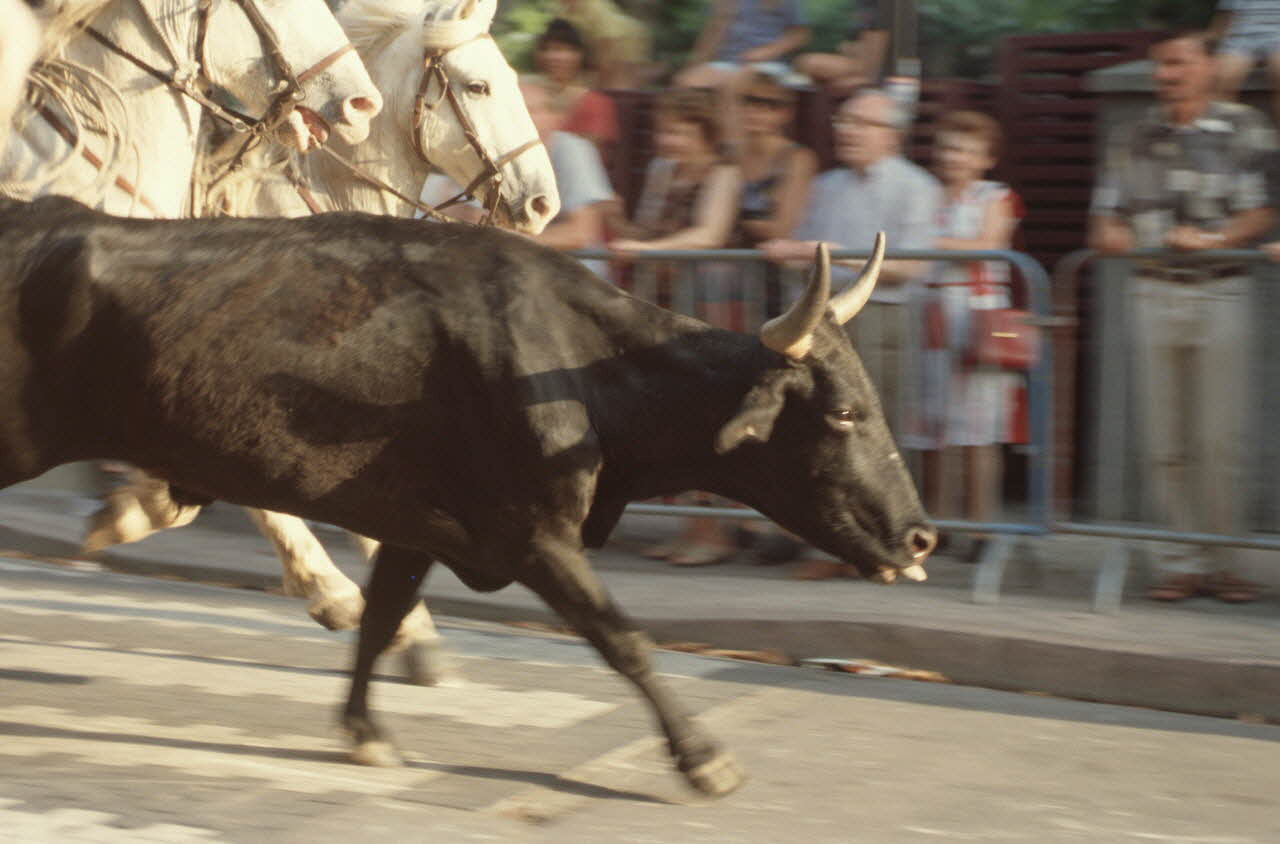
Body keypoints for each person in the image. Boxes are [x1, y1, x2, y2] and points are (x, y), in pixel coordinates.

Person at [1088, 30, 1273, 603]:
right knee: (1163, 438)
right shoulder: (1132, 136)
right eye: (1160, 65)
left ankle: (1225, 561)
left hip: (1220, 291)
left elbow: (1263, 211)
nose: (1167, 74)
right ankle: (1179, 562)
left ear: (1208, 66)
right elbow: (1104, 223)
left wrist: (1213, 238)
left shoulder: (1246, 128)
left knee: (1220, 438)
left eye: (1178, 63)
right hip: (1153, 292)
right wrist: (1116, 238)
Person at [759, 87, 941, 578]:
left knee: (878, 438)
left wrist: (831, 251)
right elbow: (811, 254)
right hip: (829, 325)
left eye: (862, 122)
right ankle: (840, 543)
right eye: (844, 120)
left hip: (884, 320)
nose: (848, 130)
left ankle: (894, 543)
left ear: (893, 135)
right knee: (827, 437)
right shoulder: (829, 184)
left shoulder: (916, 186)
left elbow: (912, 265)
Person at [607, 87, 744, 566]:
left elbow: (710, 233)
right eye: (664, 129)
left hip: (709, 304)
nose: (665, 138)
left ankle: (716, 532)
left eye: (676, 130)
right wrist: (622, 227)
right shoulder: (663, 170)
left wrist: (646, 249)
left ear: (702, 132)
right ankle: (694, 527)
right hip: (665, 303)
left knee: (706, 418)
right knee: (674, 418)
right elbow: (649, 227)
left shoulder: (722, 173)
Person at [904, 110, 1025, 562]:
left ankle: (980, 526)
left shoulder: (994, 197)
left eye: (963, 149)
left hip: (974, 312)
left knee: (977, 428)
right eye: (947, 147)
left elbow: (989, 244)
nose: (951, 157)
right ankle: (935, 522)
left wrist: (929, 242)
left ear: (986, 159)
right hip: (929, 309)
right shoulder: (927, 195)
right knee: (930, 425)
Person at [420, 81, 615, 277]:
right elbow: (464, 215)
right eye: (513, 111)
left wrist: (508, 239)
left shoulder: (571, 150)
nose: (522, 119)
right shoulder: (490, 154)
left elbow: (580, 234)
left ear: (554, 117)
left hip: (570, 275)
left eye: (532, 110)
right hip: (511, 271)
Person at [674, 0, 811, 151]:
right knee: (686, 83)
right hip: (728, 62)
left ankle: (733, 152)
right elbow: (713, 31)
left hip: (769, 62)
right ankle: (694, 150)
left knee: (734, 83)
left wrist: (768, 51)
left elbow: (800, 35)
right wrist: (695, 65)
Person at [524, 18, 619, 162]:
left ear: (580, 55)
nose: (555, 57)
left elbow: (587, 155)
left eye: (565, 50)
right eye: (548, 49)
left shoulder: (595, 102)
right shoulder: (526, 94)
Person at [792, 0, 891, 98]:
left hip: (842, 66)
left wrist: (866, 78)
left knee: (809, 62)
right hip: (800, 73)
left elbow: (875, 35)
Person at [556, 0, 653, 89]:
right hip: (594, 50)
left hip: (624, 44)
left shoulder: (594, 6)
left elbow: (608, 41)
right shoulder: (565, 12)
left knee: (617, 83)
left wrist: (601, 77)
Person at [1212, 0, 1280, 122]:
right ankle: (1223, 131)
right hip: (1241, 37)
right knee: (1222, 77)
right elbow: (1226, 16)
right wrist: (1213, 44)